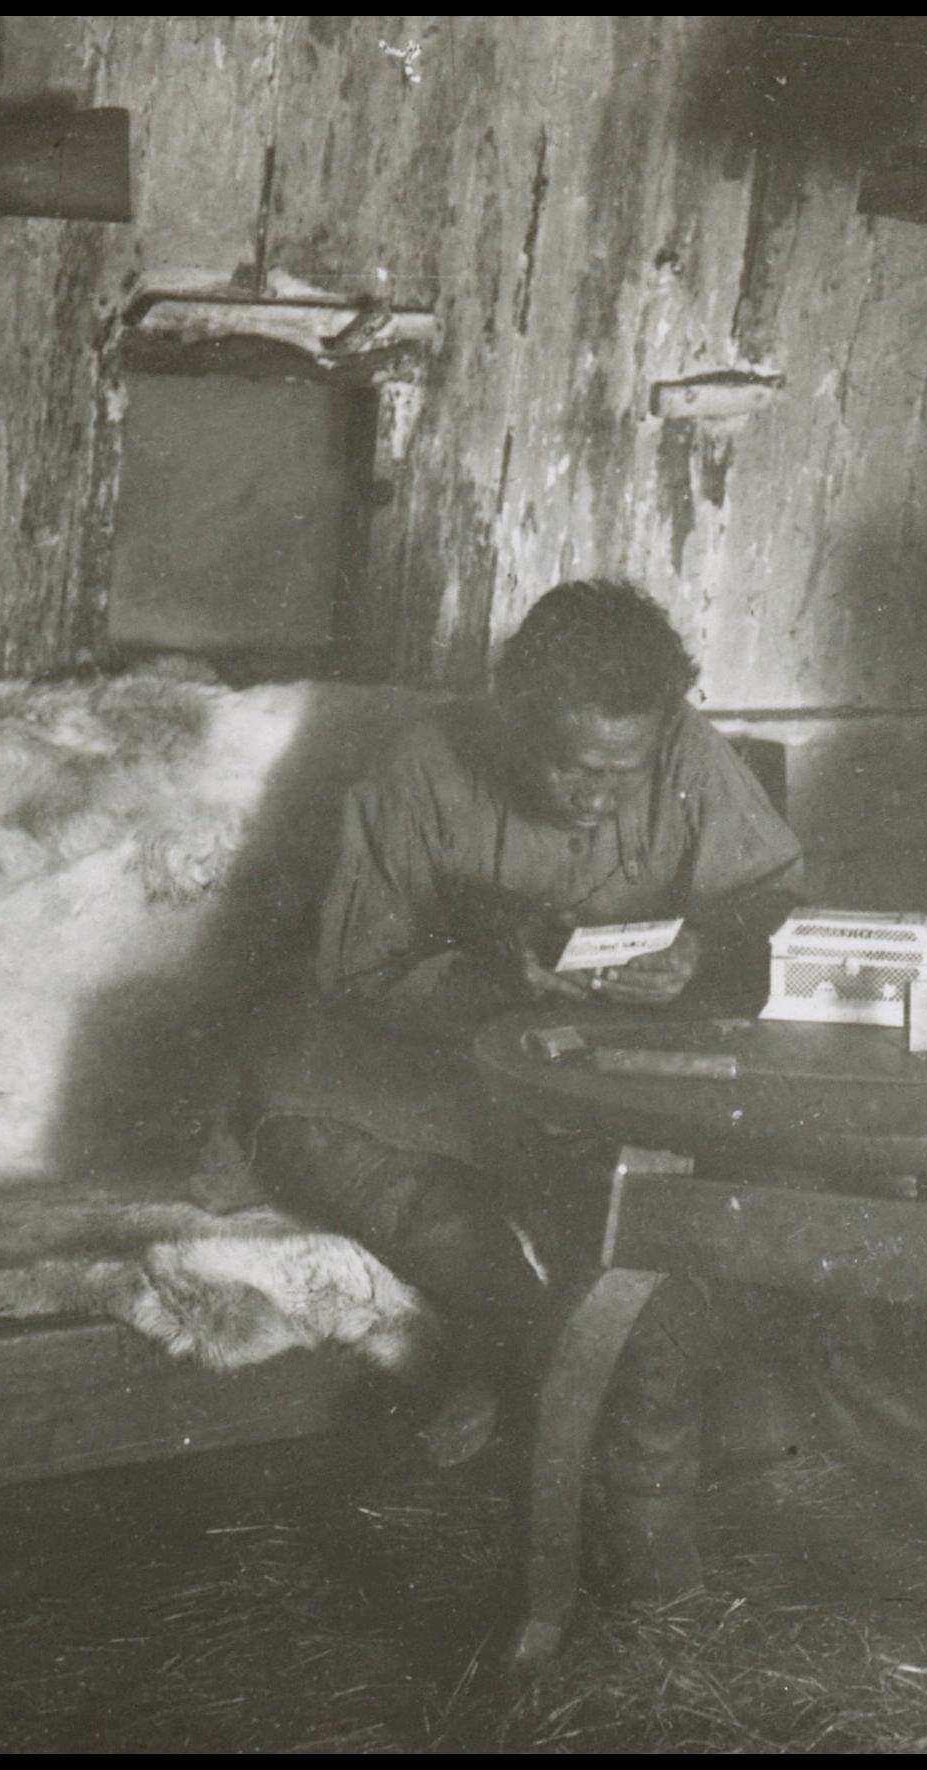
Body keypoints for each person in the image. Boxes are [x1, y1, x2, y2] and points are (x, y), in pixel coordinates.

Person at [244, 579, 800, 1589]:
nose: (591, 794)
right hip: (460, 1060)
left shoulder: (688, 755)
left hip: (625, 1080)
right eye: (565, 764)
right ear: (513, 714)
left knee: (649, 1240)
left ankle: (646, 1556)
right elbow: (356, 977)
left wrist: (703, 955)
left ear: (662, 732)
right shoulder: (418, 767)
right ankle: (508, 1318)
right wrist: (498, 971)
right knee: (285, 1112)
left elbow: (772, 907)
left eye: (618, 774)